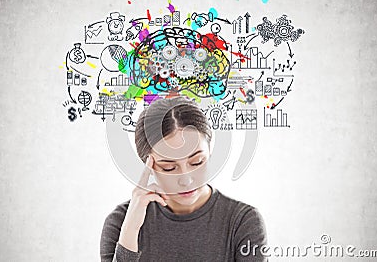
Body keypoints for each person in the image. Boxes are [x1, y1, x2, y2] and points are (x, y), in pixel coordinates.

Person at [100, 96, 268, 261]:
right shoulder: (121, 223)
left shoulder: (243, 221)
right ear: (148, 166)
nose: (186, 180)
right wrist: (131, 230)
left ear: (209, 151)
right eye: (169, 167)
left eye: (197, 162)